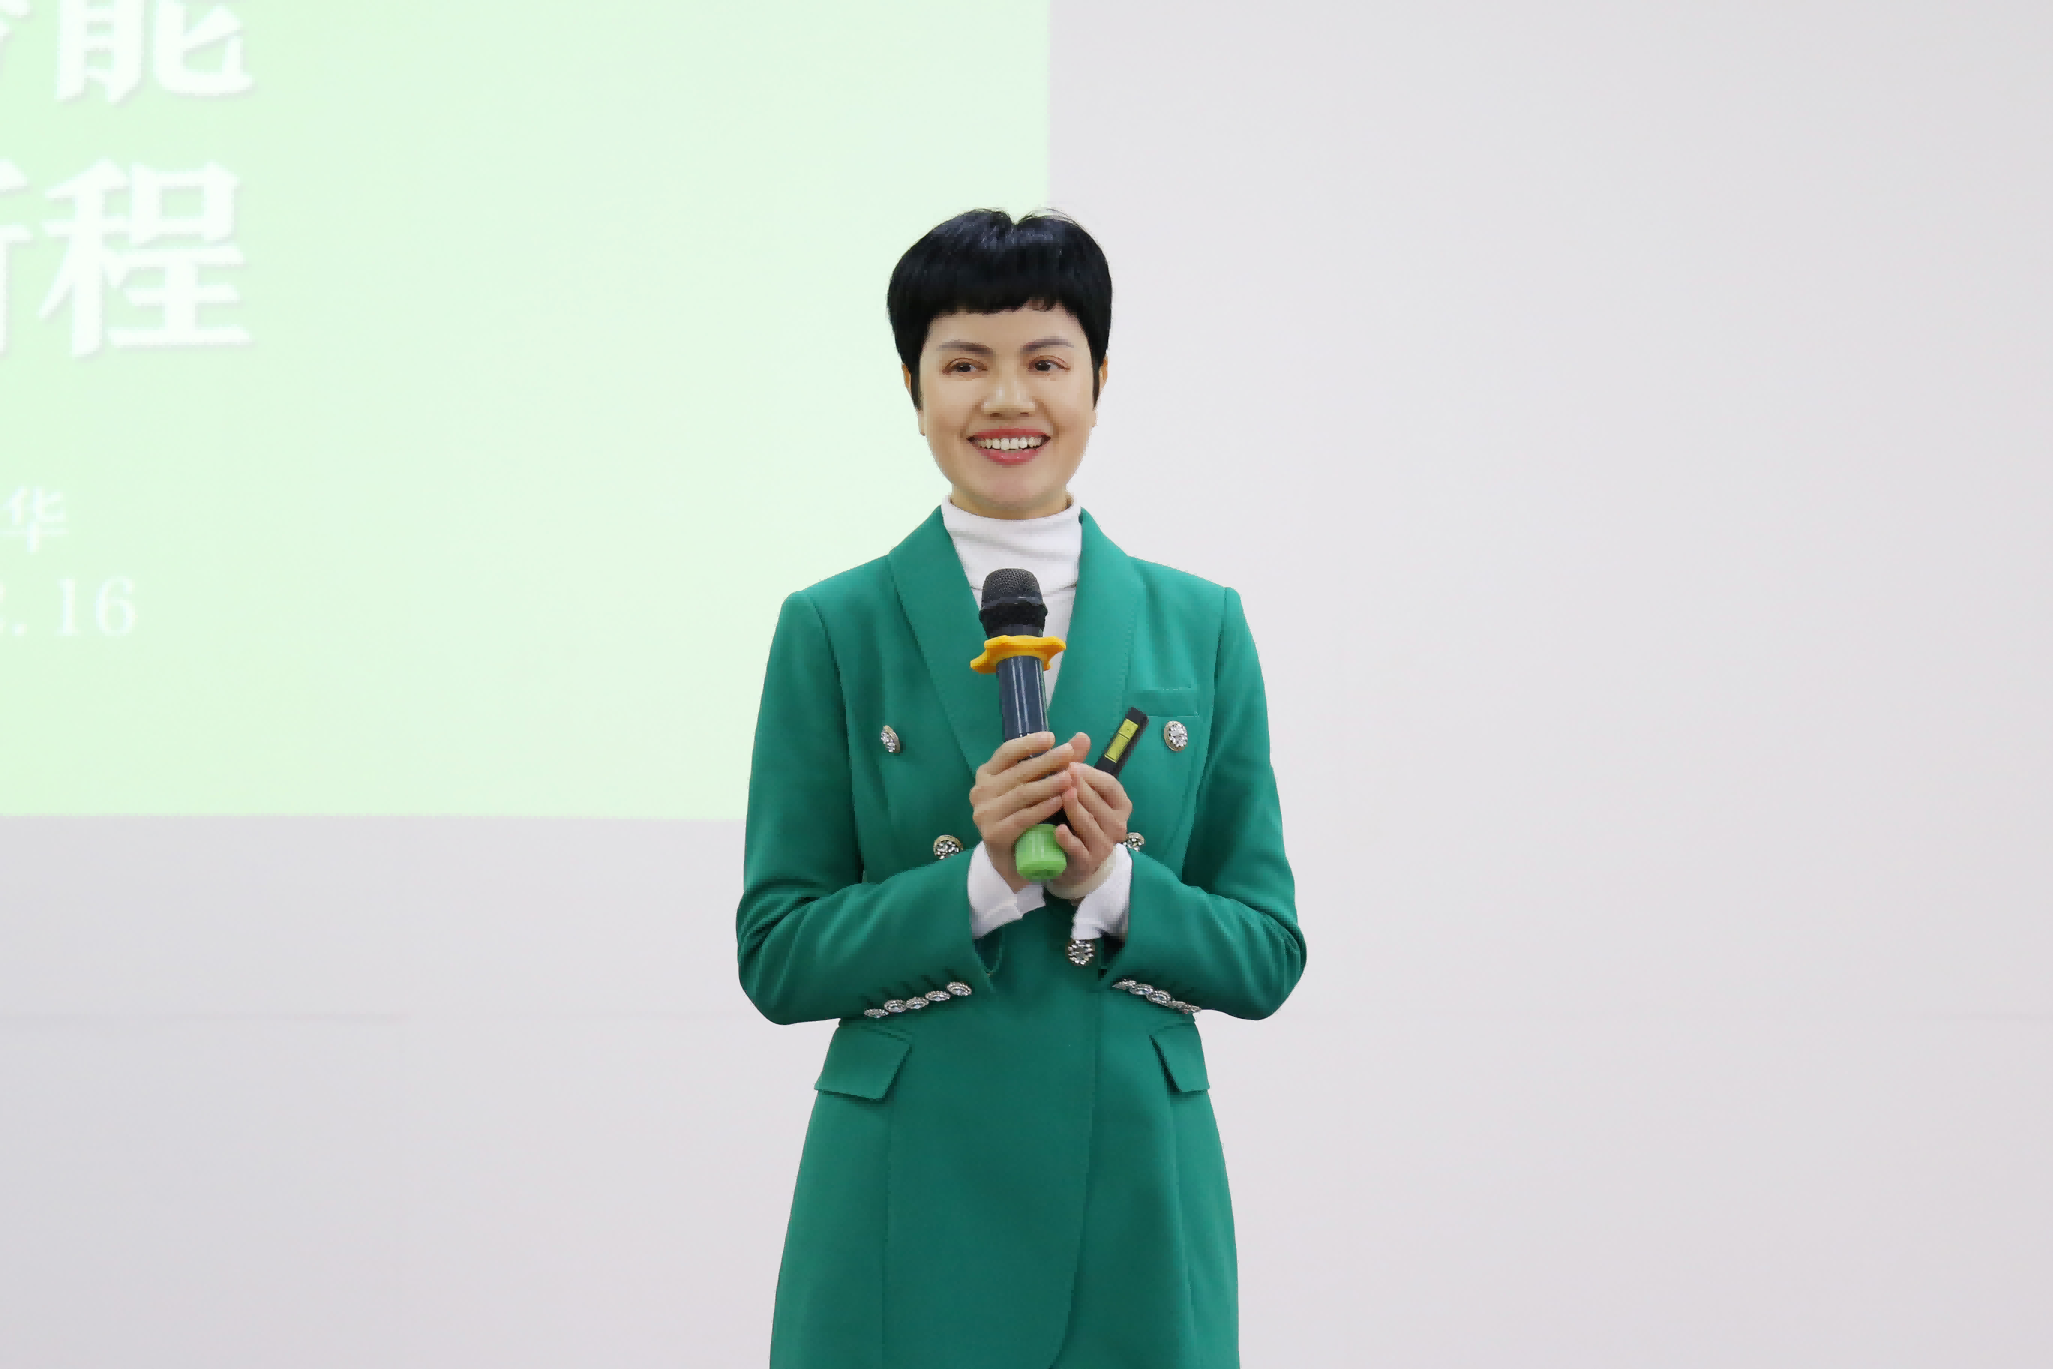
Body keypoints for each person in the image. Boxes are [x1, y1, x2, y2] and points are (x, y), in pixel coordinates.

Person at [736, 209, 1304, 1369]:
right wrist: (981, 880)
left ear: (1099, 380)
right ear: (912, 386)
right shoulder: (833, 627)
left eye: (1046, 361)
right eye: (964, 364)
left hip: (1134, 1190)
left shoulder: (1201, 625)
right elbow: (779, 954)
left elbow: (1265, 953)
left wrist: (1112, 884)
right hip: (905, 1189)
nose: (1007, 399)